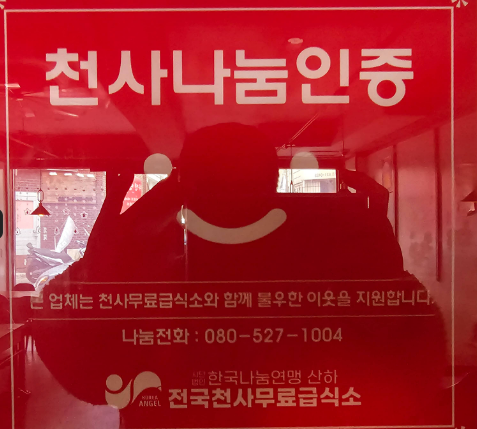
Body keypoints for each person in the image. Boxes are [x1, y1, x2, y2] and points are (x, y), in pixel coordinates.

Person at [33, 123, 447, 428]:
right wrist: (380, 259)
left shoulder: (147, 261)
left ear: (183, 185)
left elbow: (83, 371)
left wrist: (110, 248)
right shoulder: (327, 255)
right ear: (273, 180)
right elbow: (413, 374)